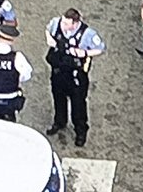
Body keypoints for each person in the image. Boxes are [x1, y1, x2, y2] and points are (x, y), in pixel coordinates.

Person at [45, 8, 106, 147]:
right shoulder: (57, 23)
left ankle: (80, 131)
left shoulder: (87, 34)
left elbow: (100, 48)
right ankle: (59, 122)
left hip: (76, 75)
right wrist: (50, 40)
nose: (64, 26)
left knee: (78, 105)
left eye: (67, 24)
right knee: (58, 98)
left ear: (75, 22)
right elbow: (48, 30)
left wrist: (84, 53)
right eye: (63, 22)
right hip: (59, 70)